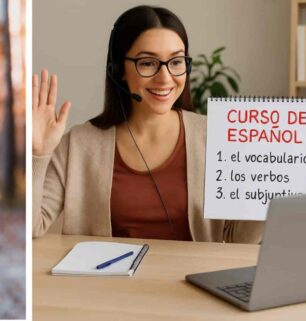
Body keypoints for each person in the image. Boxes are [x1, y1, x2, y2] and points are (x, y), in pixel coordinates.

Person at [32, 5, 264, 243]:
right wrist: (38, 154)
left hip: (190, 279)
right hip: (106, 280)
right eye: (147, 63)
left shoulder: (217, 138)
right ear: (119, 69)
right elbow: (32, 226)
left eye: (176, 61)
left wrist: (269, 193)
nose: (164, 78)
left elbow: (238, 241)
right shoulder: (79, 144)